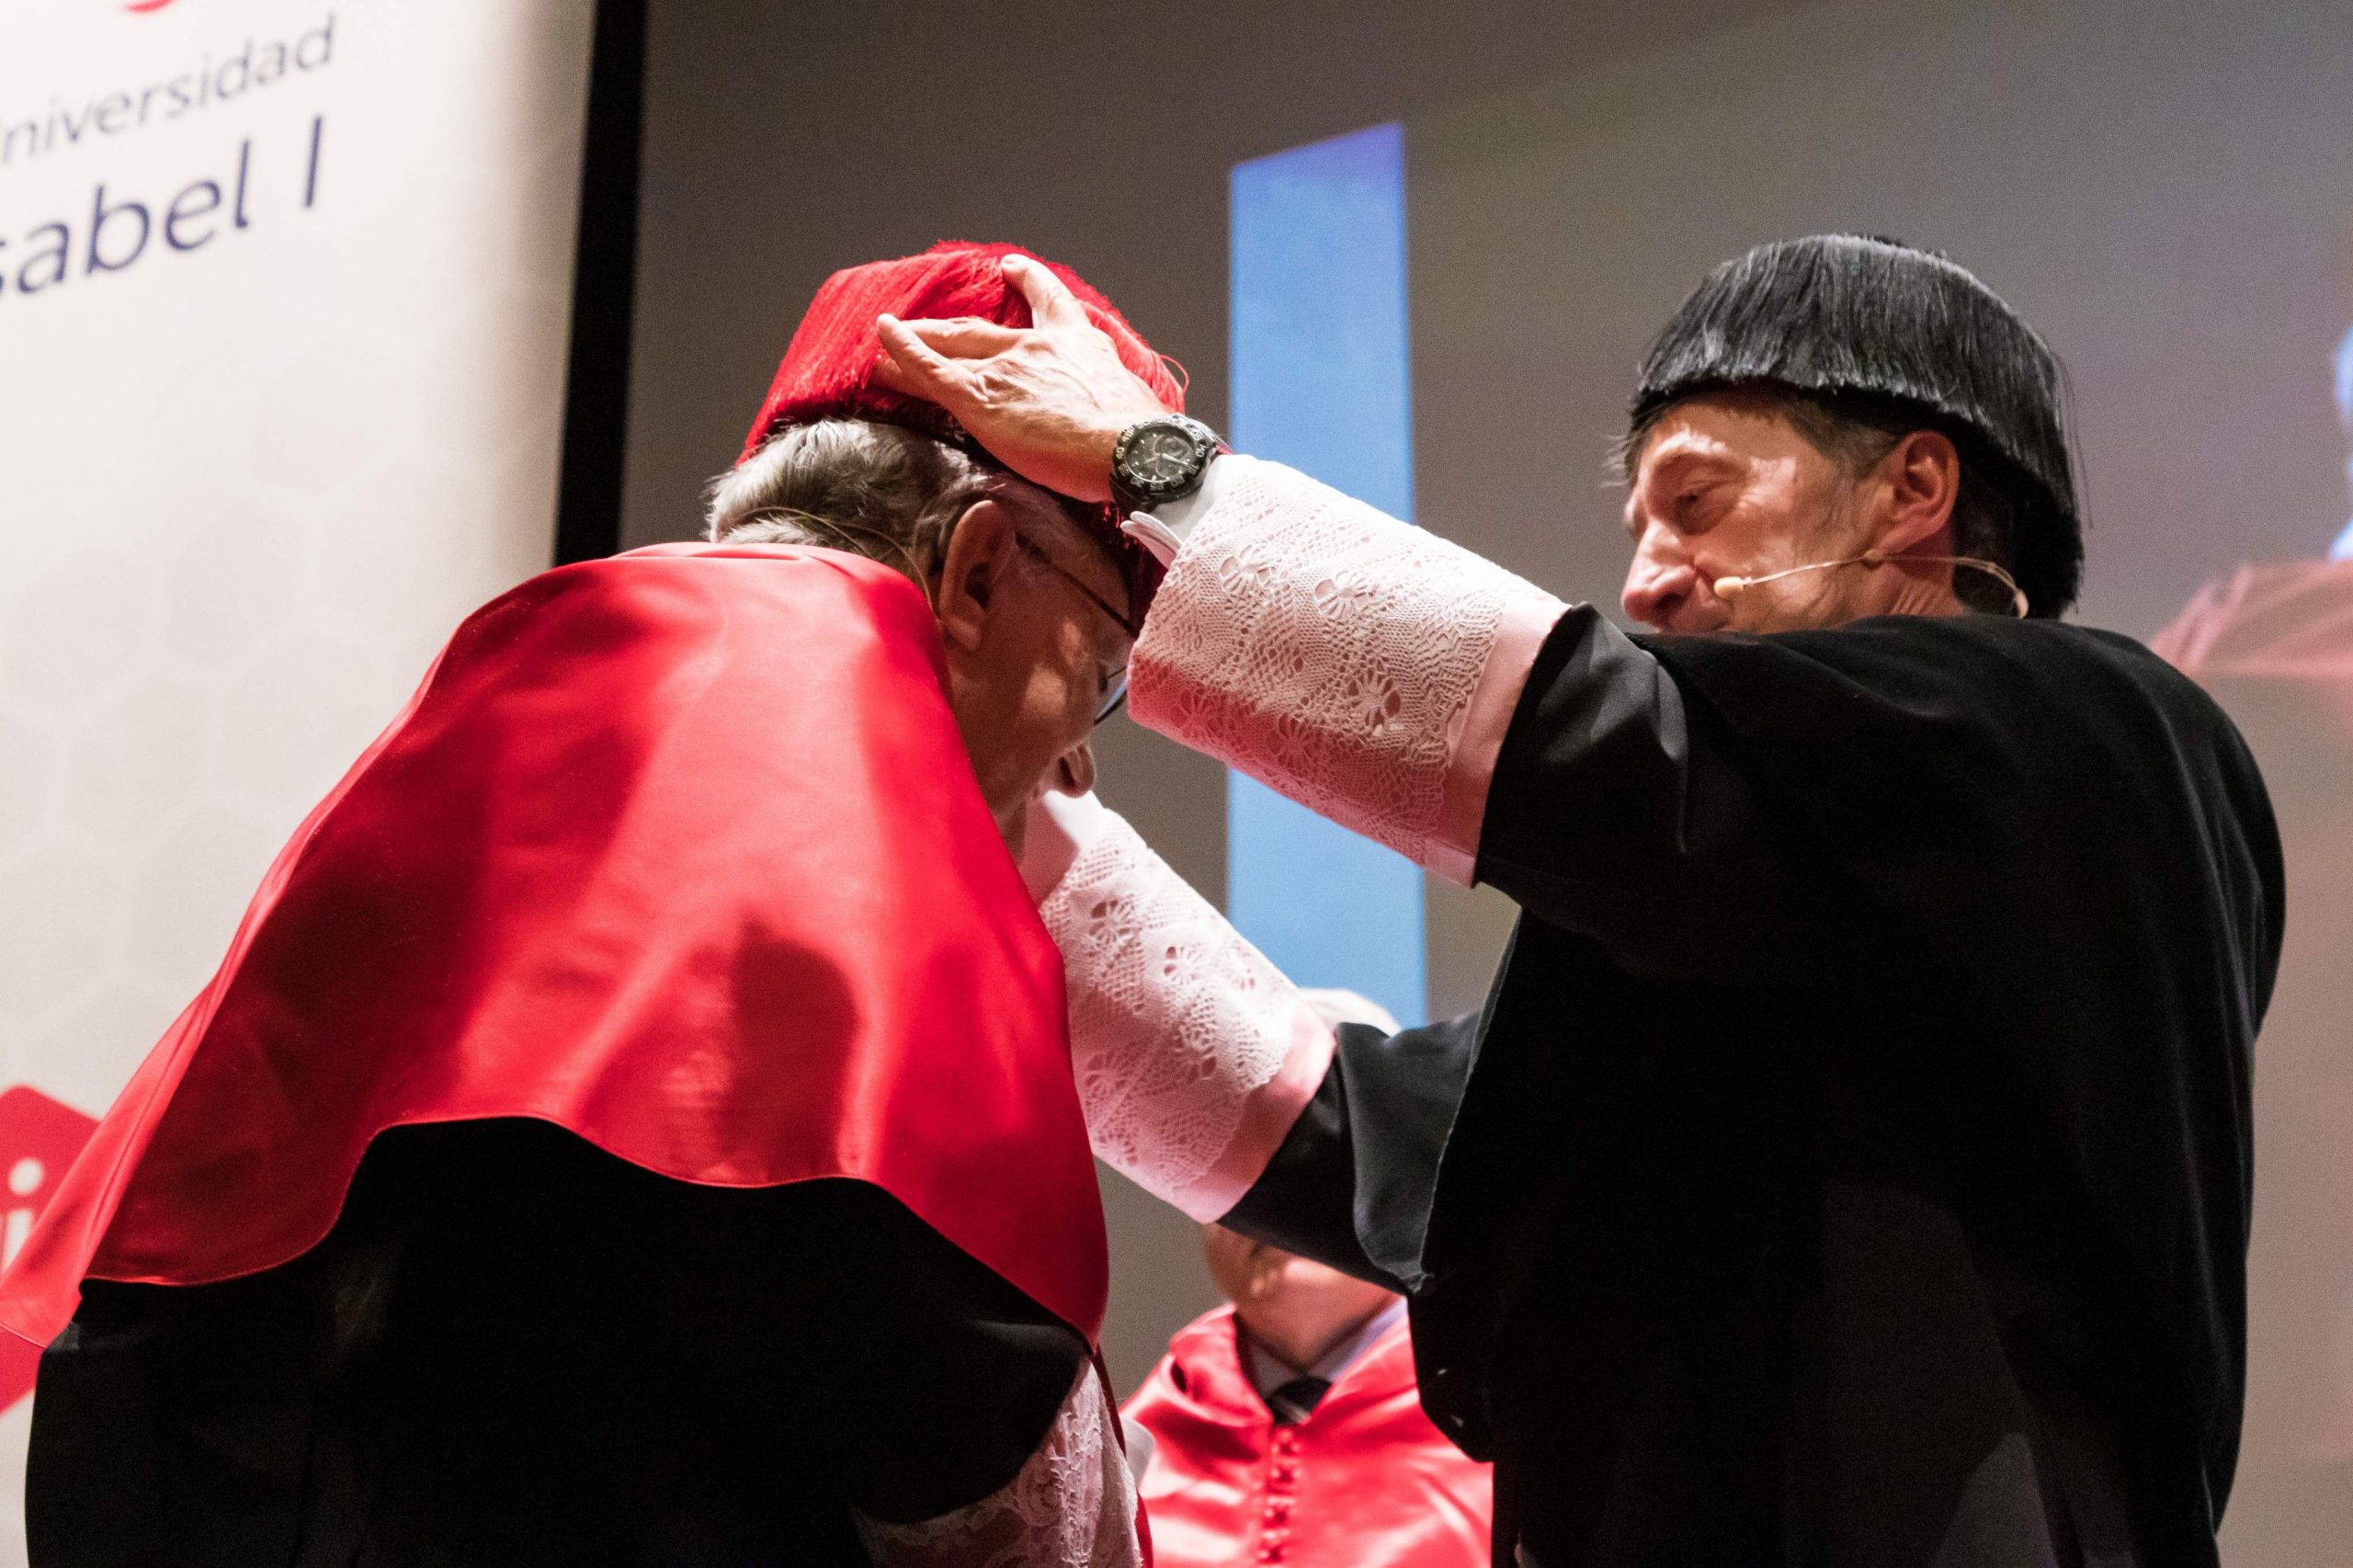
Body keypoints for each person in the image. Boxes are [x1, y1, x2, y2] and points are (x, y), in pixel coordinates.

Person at [878, 234, 2286, 1568]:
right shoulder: (1736, 905)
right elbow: (1355, 1135)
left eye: (1697, 500)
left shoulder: (2106, 737)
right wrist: (984, 792)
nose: (1644, 579)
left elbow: (1609, 748)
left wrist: (1156, 477)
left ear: (1915, 491)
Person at [0, 241, 1180, 1568]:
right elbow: (967, 1434)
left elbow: (148, 1336)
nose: (1082, 759)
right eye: (1104, 676)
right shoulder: (859, 822)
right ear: (972, 572)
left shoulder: (500, 687)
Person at [1121, 987, 1493, 1568]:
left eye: (1325, 1155)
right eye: (1248, 1164)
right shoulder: (1116, 1456)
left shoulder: (1507, 1432)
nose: (1289, 1208)